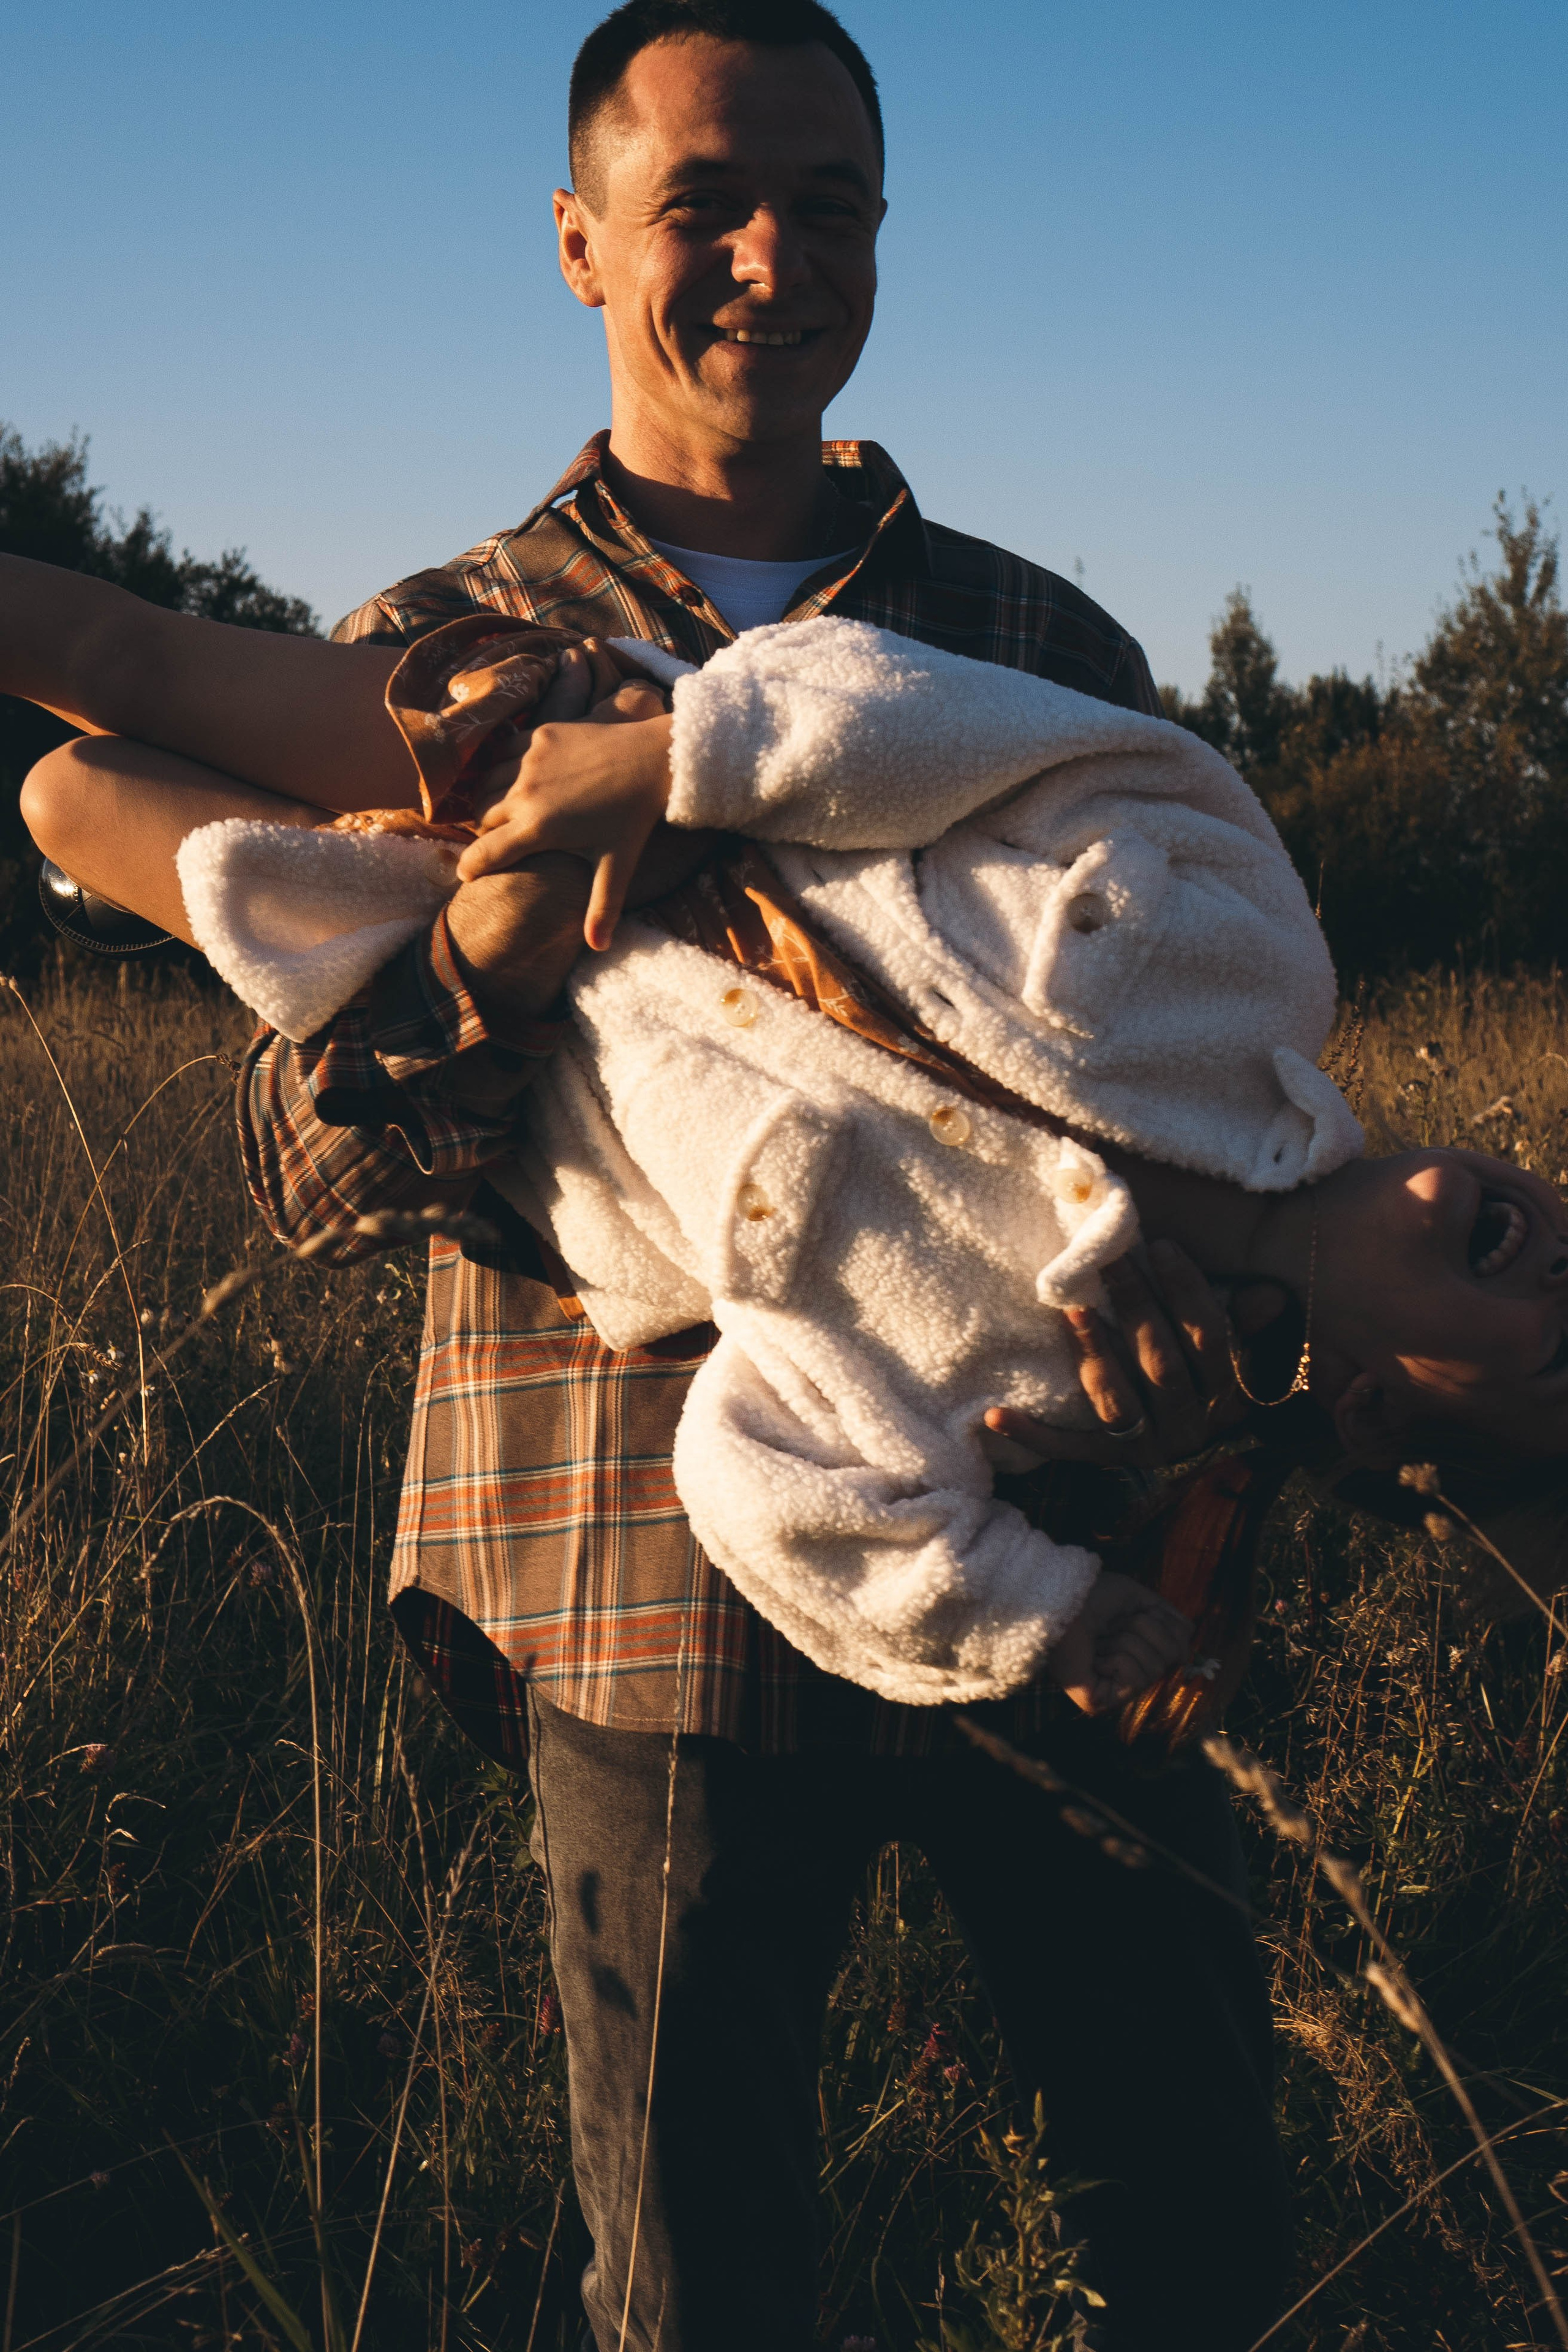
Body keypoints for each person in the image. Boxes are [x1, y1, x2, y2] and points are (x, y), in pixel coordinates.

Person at [14, 5, 1553, 2345]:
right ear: (576, 239)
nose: (767, 258)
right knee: (703, 2267)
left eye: (827, 206)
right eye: (701, 202)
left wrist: (1203, 1388)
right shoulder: (445, 640)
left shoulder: (1028, 637)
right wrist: (489, 968)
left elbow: (1259, 1186)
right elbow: (313, 1176)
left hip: (1058, 1574)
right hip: (638, 1597)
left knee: (1190, 2214)